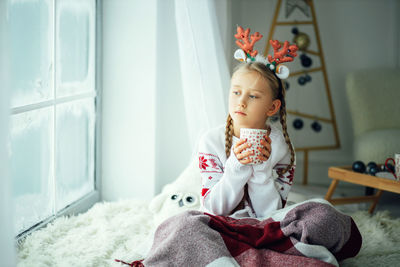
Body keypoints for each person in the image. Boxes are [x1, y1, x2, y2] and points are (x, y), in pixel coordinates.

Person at [116, 26, 361, 267]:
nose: (240, 101)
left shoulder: (281, 146)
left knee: (323, 214)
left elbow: (269, 213)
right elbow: (214, 209)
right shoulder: (211, 141)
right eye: (236, 92)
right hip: (220, 226)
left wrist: (262, 170)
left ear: (272, 107)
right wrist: (236, 166)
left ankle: (240, 254)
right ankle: (257, 255)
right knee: (182, 226)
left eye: (253, 96)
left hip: (266, 228)